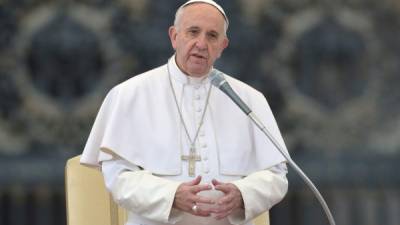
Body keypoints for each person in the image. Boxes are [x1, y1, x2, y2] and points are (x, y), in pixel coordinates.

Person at [80, 0, 290, 225]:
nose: (201, 43)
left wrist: (243, 194)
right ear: (174, 36)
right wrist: (170, 196)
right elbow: (117, 176)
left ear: (222, 45)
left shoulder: (249, 99)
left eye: (212, 36)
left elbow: (277, 176)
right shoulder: (130, 94)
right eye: (193, 32)